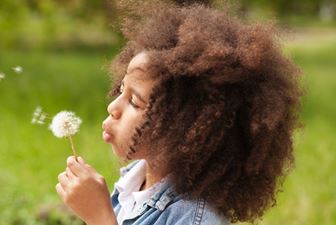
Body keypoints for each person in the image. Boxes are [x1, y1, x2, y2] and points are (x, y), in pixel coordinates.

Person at [55, 1, 303, 225]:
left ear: (184, 131)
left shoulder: (196, 218)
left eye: (134, 101)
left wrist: (99, 218)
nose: (113, 107)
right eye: (121, 90)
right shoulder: (134, 183)